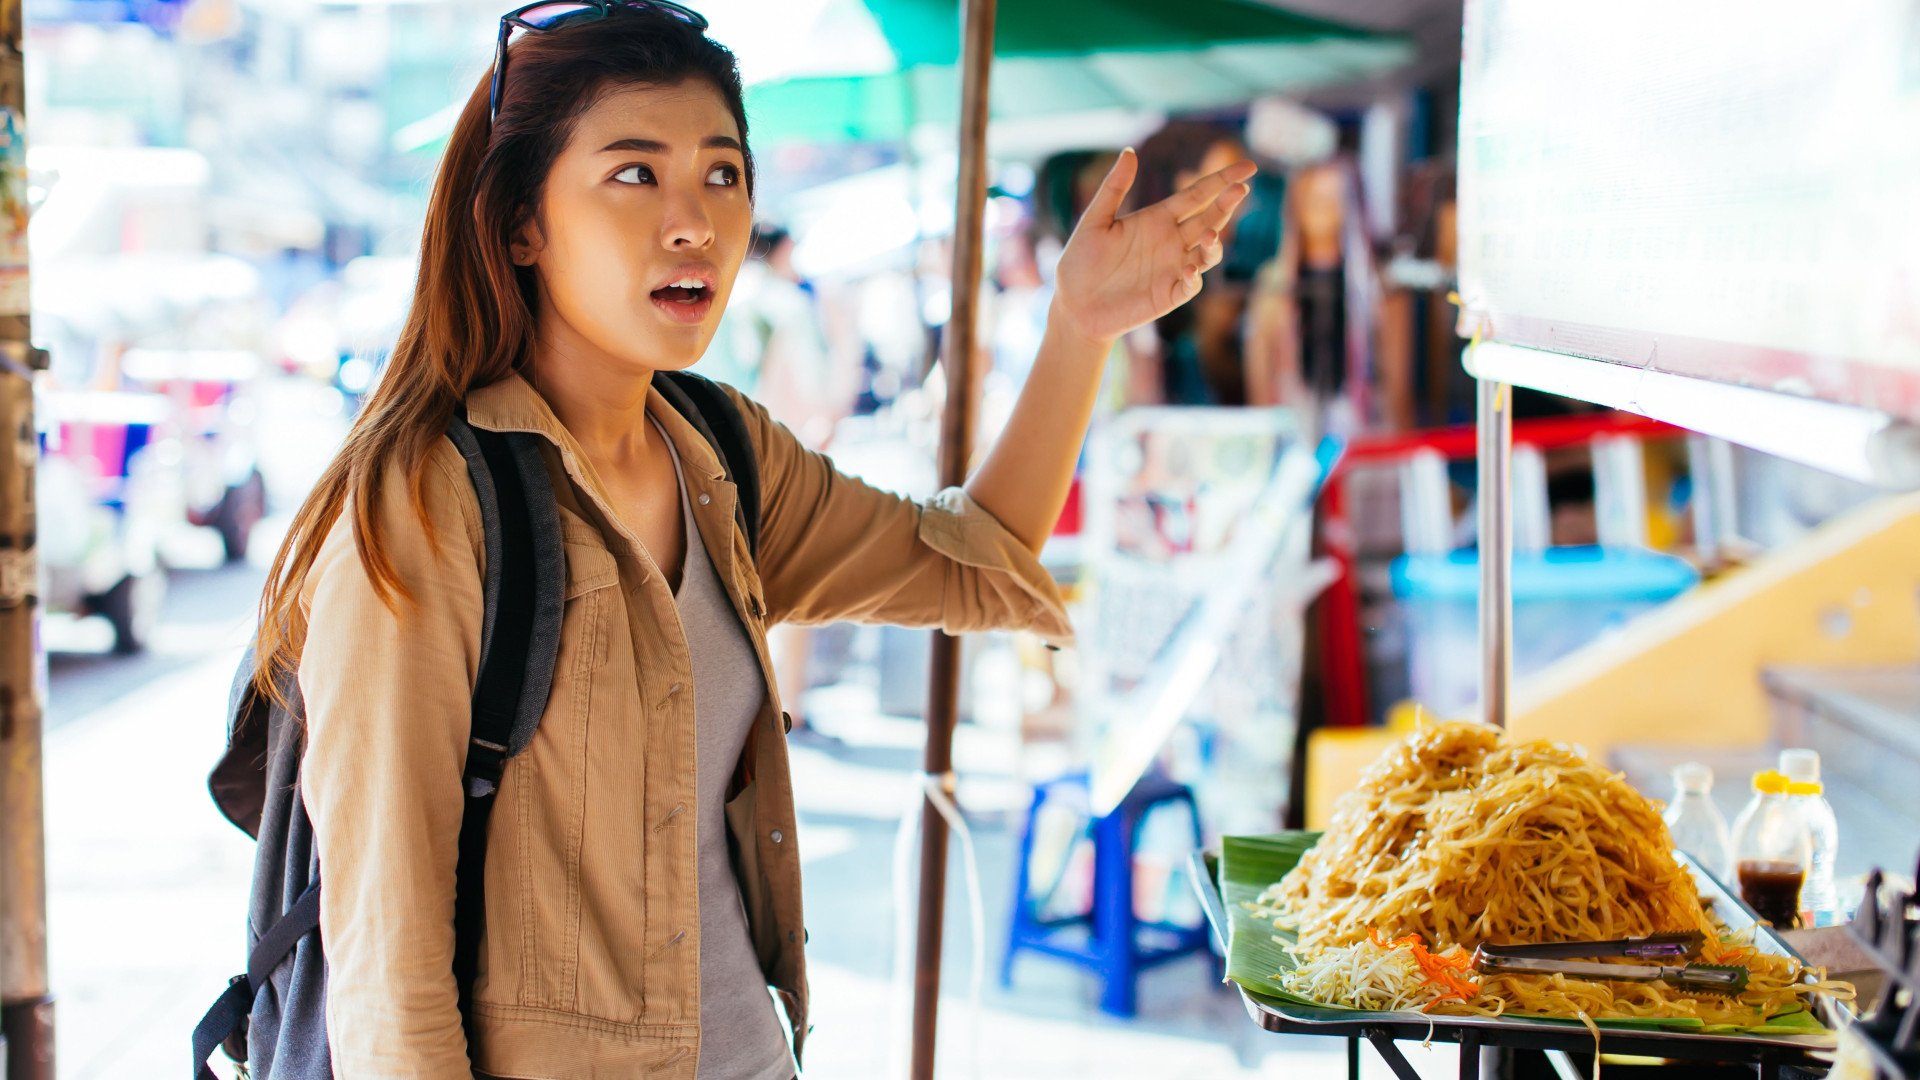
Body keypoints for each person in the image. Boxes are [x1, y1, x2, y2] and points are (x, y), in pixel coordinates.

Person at [246, 3, 1256, 1077]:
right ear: (519, 225)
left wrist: (1077, 331)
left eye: (722, 174)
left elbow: (974, 557)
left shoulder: (720, 452)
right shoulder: (425, 505)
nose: (696, 223)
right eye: (635, 174)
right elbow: (389, 988)